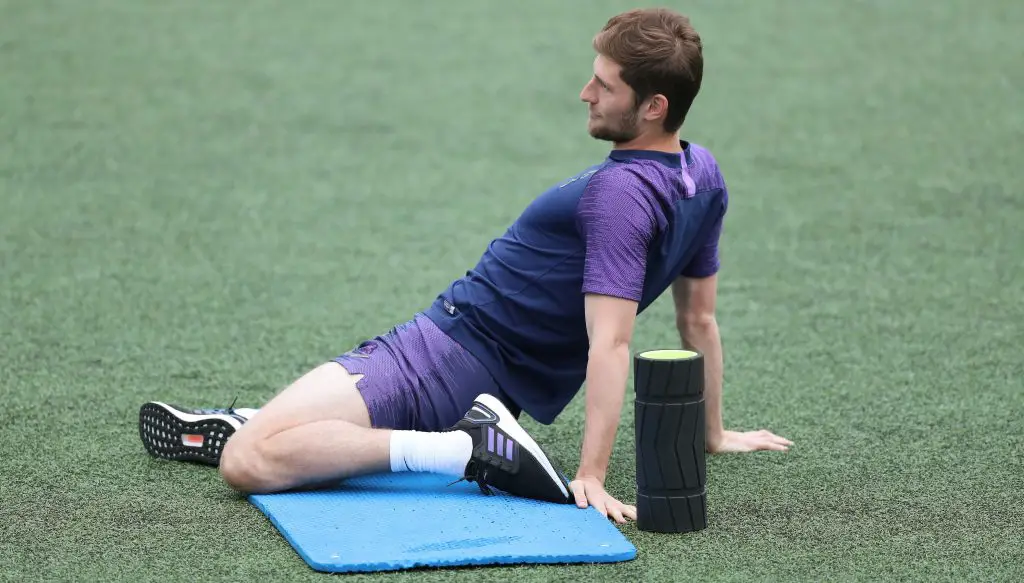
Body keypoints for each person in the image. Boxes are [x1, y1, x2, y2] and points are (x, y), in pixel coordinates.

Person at [137, 7, 792, 525]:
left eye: (606, 84)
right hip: (481, 369)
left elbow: (612, 342)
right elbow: (699, 319)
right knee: (284, 433)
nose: (584, 91)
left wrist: (590, 472)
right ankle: (269, 421)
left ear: (653, 106)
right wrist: (710, 433)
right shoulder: (701, 174)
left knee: (248, 462)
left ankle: (462, 448)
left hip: (440, 355)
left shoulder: (619, 194)